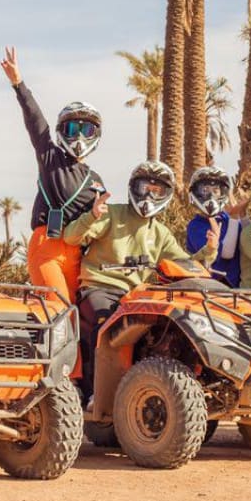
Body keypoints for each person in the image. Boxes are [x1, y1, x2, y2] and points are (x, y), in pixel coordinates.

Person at [63, 161, 217, 403]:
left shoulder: (161, 232)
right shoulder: (112, 214)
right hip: (100, 287)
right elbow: (71, 237)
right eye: (145, 187)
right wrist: (92, 216)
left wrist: (208, 251)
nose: (149, 195)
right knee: (105, 323)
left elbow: (185, 265)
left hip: (136, 295)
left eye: (157, 191)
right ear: (134, 187)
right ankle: (94, 393)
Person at [1, 46, 107, 302]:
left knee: (81, 320)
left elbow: (103, 226)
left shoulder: (97, 181)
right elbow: (37, 125)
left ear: (96, 136)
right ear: (62, 132)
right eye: (72, 128)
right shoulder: (51, 159)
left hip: (79, 254)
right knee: (58, 309)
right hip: (46, 247)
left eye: (87, 130)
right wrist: (19, 84)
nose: (79, 136)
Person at [184, 166, 250, 287]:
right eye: (205, 190)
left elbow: (249, 241)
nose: (211, 196)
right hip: (210, 288)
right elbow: (226, 253)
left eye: (215, 191)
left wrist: (243, 214)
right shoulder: (195, 226)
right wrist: (234, 217)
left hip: (237, 288)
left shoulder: (226, 218)